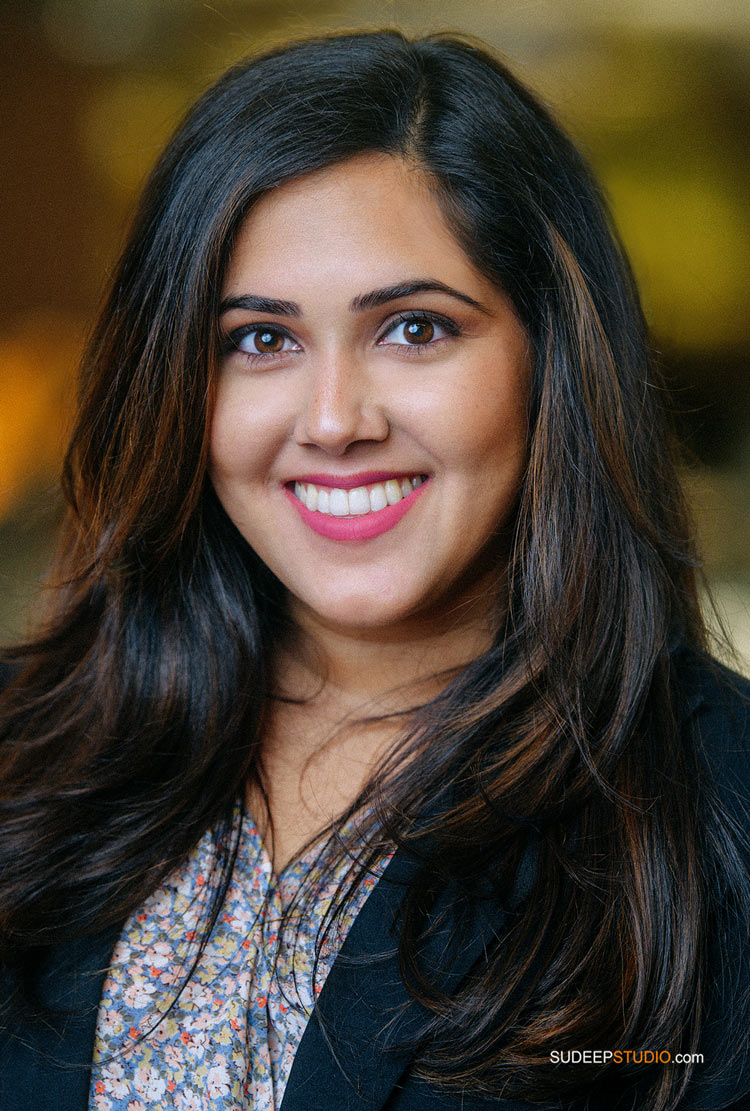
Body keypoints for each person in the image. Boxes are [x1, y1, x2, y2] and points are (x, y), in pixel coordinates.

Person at [0, 28, 748, 1111]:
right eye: (260, 340)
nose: (335, 419)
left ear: (552, 358)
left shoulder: (714, 821)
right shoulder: (30, 753)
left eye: (413, 327)